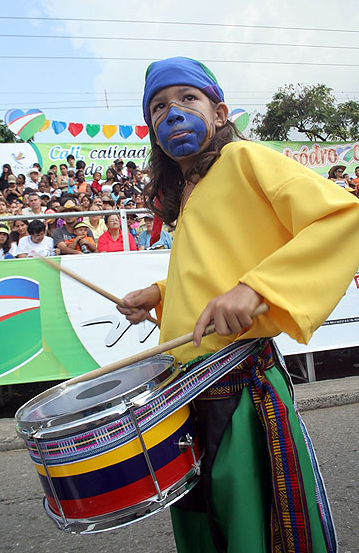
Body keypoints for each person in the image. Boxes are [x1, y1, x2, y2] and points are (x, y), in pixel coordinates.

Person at [117, 57, 359, 553]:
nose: (173, 112)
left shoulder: (244, 158)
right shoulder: (189, 191)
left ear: (220, 112)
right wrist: (160, 294)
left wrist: (257, 289)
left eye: (188, 98)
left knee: (254, 530)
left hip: (240, 386)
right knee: (207, 530)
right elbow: (217, 266)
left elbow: (342, 218)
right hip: (186, 388)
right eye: (159, 107)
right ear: (153, 132)